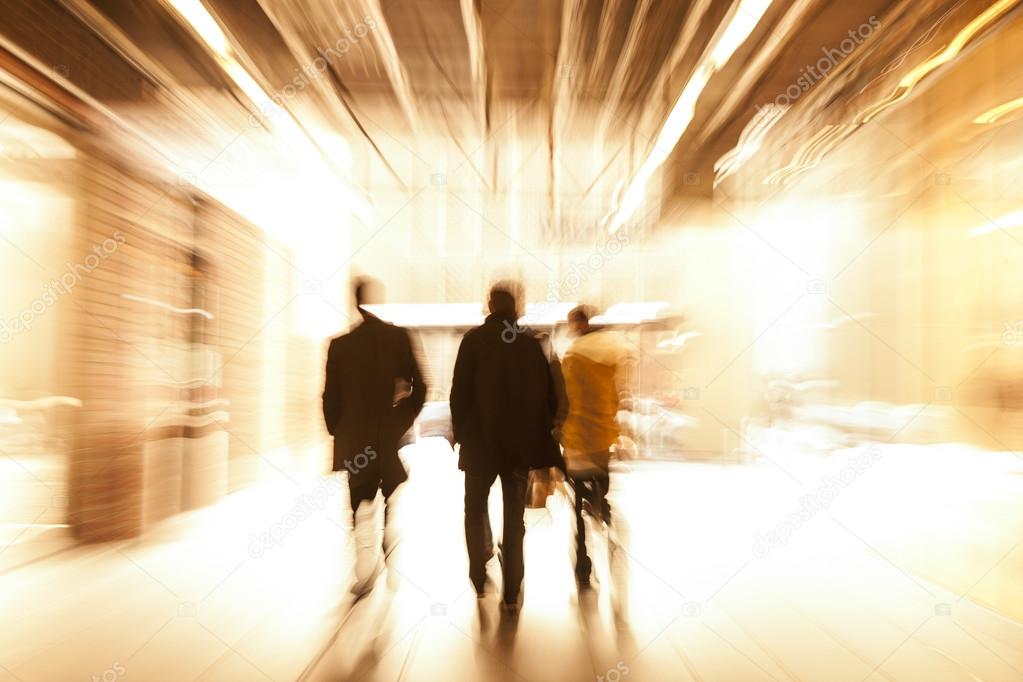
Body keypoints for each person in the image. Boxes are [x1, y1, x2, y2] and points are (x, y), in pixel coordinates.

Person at [450, 281, 563, 610]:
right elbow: (550, 397)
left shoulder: (472, 341)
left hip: (479, 446)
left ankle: (478, 575)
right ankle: (512, 589)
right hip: (517, 449)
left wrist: (463, 433)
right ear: (515, 307)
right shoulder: (530, 345)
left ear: (489, 305)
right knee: (514, 517)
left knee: (474, 509)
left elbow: (459, 395)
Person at [322, 277, 426, 598]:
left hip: (355, 439)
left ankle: (363, 560)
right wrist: (402, 420)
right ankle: (387, 533)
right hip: (387, 436)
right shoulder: (399, 338)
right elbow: (421, 385)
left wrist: (335, 429)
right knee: (388, 488)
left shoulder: (340, 346)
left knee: (359, 498)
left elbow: (330, 398)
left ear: (355, 302)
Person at [560, 305, 628, 587]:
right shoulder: (609, 358)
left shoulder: (572, 358)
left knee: (576, 502)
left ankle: (584, 564)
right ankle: (602, 509)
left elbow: (563, 399)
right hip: (601, 435)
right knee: (601, 481)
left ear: (577, 324)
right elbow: (614, 398)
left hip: (576, 436)